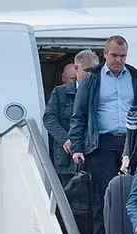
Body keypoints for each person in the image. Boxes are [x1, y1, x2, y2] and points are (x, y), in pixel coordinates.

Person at [68, 35, 137, 234]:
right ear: (104, 54)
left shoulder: (135, 79)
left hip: (130, 143)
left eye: (122, 56)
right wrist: (77, 147)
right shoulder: (92, 80)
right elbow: (79, 116)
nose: (118, 60)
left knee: (132, 192)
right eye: (114, 55)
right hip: (101, 143)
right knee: (103, 195)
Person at [43, 50, 99, 186]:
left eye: (94, 71)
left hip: (93, 157)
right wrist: (65, 139)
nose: (90, 75)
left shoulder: (100, 93)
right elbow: (49, 118)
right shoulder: (60, 92)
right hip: (66, 159)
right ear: (76, 69)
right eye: (87, 70)